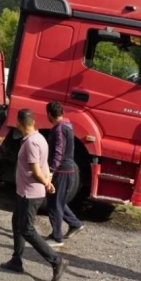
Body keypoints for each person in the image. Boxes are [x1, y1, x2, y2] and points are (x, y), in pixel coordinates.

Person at [0, 108, 69, 281]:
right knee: (17, 223)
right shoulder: (39, 138)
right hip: (25, 192)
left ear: (19, 123)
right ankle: (16, 260)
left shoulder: (31, 143)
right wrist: (48, 180)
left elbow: (36, 170)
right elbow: (44, 163)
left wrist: (46, 182)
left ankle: (56, 260)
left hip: (29, 194)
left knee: (27, 229)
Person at [44, 101, 84, 247]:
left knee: (54, 204)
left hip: (61, 171)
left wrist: (51, 171)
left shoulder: (59, 129)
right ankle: (75, 224)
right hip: (68, 170)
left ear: (49, 114)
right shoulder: (67, 125)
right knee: (58, 201)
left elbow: (59, 151)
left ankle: (56, 237)